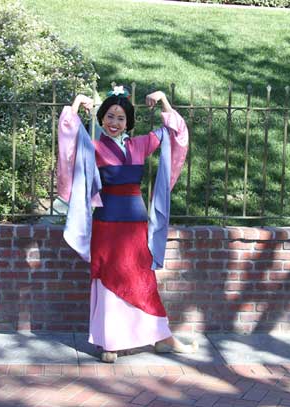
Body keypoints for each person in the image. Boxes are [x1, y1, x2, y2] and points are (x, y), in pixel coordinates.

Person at [57, 85, 197, 363]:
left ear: (128, 122)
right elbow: (68, 136)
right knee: (108, 278)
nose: (114, 122)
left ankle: (162, 337)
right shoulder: (94, 146)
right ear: (102, 118)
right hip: (106, 223)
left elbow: (176, 134)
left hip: (135, 223)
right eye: (109, 116)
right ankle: (110, 343)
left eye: (120, 118)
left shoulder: (139, 145)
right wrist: (76, 104)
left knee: (142, 278)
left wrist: (164, 100)